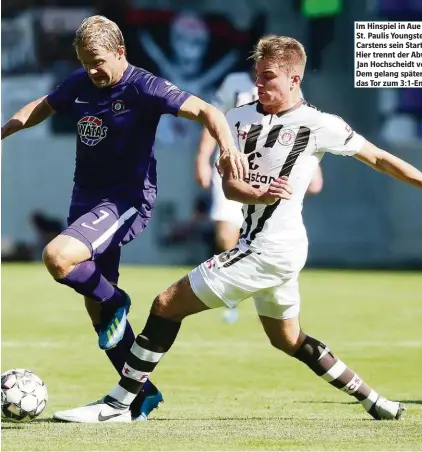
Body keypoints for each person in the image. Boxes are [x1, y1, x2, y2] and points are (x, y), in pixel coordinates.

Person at [52, 35, 422, 423]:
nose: (259, 85)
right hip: (260, 245)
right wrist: (253, 193)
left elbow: (379, 158)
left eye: (269, 78)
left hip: (272, 248)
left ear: (295, 79)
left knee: (166, 304)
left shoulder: (320, 125)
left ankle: (119, 404)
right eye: (257, 76)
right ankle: (375, 400)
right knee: (289, 339)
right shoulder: (239, 117)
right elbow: (230, 183)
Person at [1, 15, 247, 421]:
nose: (92, 69)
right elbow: (40, 108)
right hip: (85, 200)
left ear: (120, 53)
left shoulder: (144, 86)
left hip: (124, 200)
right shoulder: (81, 82)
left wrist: (225, 148)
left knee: (58, 258)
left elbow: (208, 111)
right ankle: (141, 395)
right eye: (84, 61)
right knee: (98, 317)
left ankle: (117, 299)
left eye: (98, 60)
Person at [195, 68, 323, 322]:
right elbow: (215, 120)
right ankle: (230, 289)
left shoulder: (289, 88)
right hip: (234, 166)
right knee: (225, 233)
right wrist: (201, 158)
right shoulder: (234, 82)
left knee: (265, 233)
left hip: (271, 170)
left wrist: (314, 170)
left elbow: (303, 130)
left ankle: (257, 283)